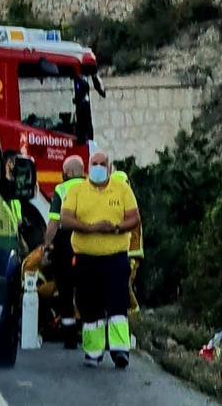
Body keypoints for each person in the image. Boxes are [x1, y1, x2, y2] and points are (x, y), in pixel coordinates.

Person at [61, 151, 140, 368]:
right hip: (86, 259)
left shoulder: (122, 189)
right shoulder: (77, 190)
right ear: (88, 168)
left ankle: (120, 350)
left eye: (102, 164)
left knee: (118, 304)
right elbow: (65, 219)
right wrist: (90, 228)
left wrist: (116, 228)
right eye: (94, 164)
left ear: (110, 167)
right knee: (89, 307)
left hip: (115, 258)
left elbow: (134, 217)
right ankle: (93, 352)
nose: (98, 168)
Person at [44, 155, 86, 348]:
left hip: (66, 243)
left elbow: (54, 221)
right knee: (88, 289)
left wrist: (46, 244)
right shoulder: (92, 188)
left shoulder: (61, 189)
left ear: (67, 173)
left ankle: (69, 336)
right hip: (89, 242)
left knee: (65, 288)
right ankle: (90, 334)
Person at [110, 169, 143, 317]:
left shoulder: (127, 209)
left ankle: (134, 316)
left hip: (130, 255)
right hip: (125, 255)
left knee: (124, 286)